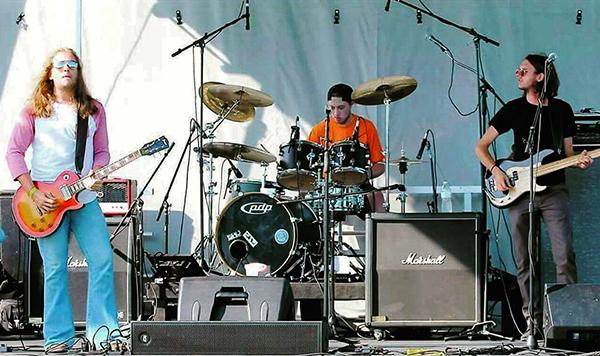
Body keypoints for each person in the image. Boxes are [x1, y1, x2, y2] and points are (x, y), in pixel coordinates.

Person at [5, 48, 118, 352]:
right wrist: (33, 192)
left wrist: (96, 171)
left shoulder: (93, 109)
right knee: (55, 269)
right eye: (60, 64)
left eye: (72, 64)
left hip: (85, 198)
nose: (66, 68)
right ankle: (58, 338)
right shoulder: (34, 109)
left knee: (103, 260)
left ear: (78, 71)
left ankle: (102, 334)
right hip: (44, 202)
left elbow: (103, 150)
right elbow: (14, 153)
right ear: (50, 73)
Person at [475, 53, 593, 340]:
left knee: (563, 255)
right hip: (518, 192)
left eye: (524, 70)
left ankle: (568, 319)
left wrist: (579, 160)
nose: (518, 73)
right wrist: (497, 171)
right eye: (518, 69)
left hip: (553, 191)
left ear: (540, 77)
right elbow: (481, 146)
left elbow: (567, 154)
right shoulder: (513, 109)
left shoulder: (562, 110)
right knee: (524, 260)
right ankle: (533, 324)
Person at [308, 83, 385, 213]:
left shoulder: (366, 126)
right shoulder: (319, 130)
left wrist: (362, 176)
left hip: (358, 184)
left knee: (378, 198)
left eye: (341, 107)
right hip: (327, 185)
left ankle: (380, 233)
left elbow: (380, 165)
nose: (336, 113)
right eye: (332, 108)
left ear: (351, 104)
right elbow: (309, 167)